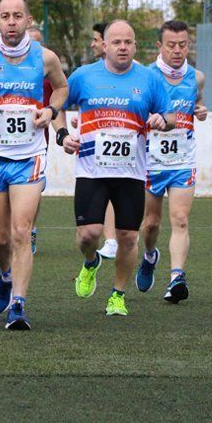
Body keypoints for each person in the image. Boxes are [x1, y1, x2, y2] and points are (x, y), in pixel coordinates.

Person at [51, 20, 174, 317]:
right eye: (116, 42)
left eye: (128, 42)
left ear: (135, 46)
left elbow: (170, 116)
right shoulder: (83, 76)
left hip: (131, 173)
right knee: (87, 235)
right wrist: (62, 135)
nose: (123, 47)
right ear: (104, 46)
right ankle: (91, 262)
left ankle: (117, 295)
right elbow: (56, 107)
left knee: (128, 238)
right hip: (91, 170)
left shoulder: (149, 79)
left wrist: (162, 122)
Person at [0, 0, 68, 330]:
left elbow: (62, 90)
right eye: (5, 16)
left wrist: (49, 111)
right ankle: (6, 276)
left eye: (17, 16)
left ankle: (18, 305)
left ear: (28, 20)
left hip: (29, 156)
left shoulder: (45, 58)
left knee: (21, 231)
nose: (11, 22)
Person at [136, 20, 207, 303]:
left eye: (183, 45)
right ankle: (150, 255)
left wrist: (200, 111)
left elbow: (196, 101)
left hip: (182, 160)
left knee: (180, 219)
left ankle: (177, 277)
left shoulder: (196, 77)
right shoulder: (144, 77)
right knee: (151, 224)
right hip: (151, 162)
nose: (178, 51)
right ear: (159, 46)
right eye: (171, 45)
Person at [88, 21, 120, 260]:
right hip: (101, 151)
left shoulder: (139, 73)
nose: (92, 44)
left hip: (135, 154)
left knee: (151, 220)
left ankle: (125, 240)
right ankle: (111, 240)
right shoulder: (88, 74)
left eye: (96, 39)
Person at [25, 24, 48, 255]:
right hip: (5, 142)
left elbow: (57, 101)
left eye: (37, 42)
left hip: (39, 140)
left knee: (35, 188)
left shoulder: (46, 71)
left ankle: (30, 228)